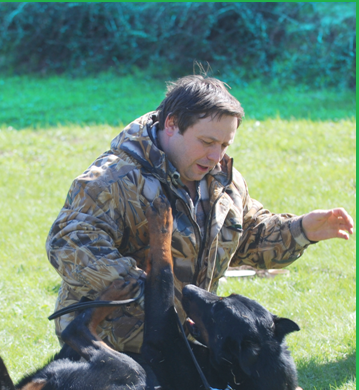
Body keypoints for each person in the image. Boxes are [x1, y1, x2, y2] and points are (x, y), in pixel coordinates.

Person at [46, 75, 353, 354]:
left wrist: (301, 230)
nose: (216, 156)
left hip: (183, 345)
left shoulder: (224, 182)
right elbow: (68, 243)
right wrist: (147, 290)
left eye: (224, 144)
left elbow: (250, 238)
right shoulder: (112, 180)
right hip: (110, 351)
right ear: (171, 123)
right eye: (207, 142)